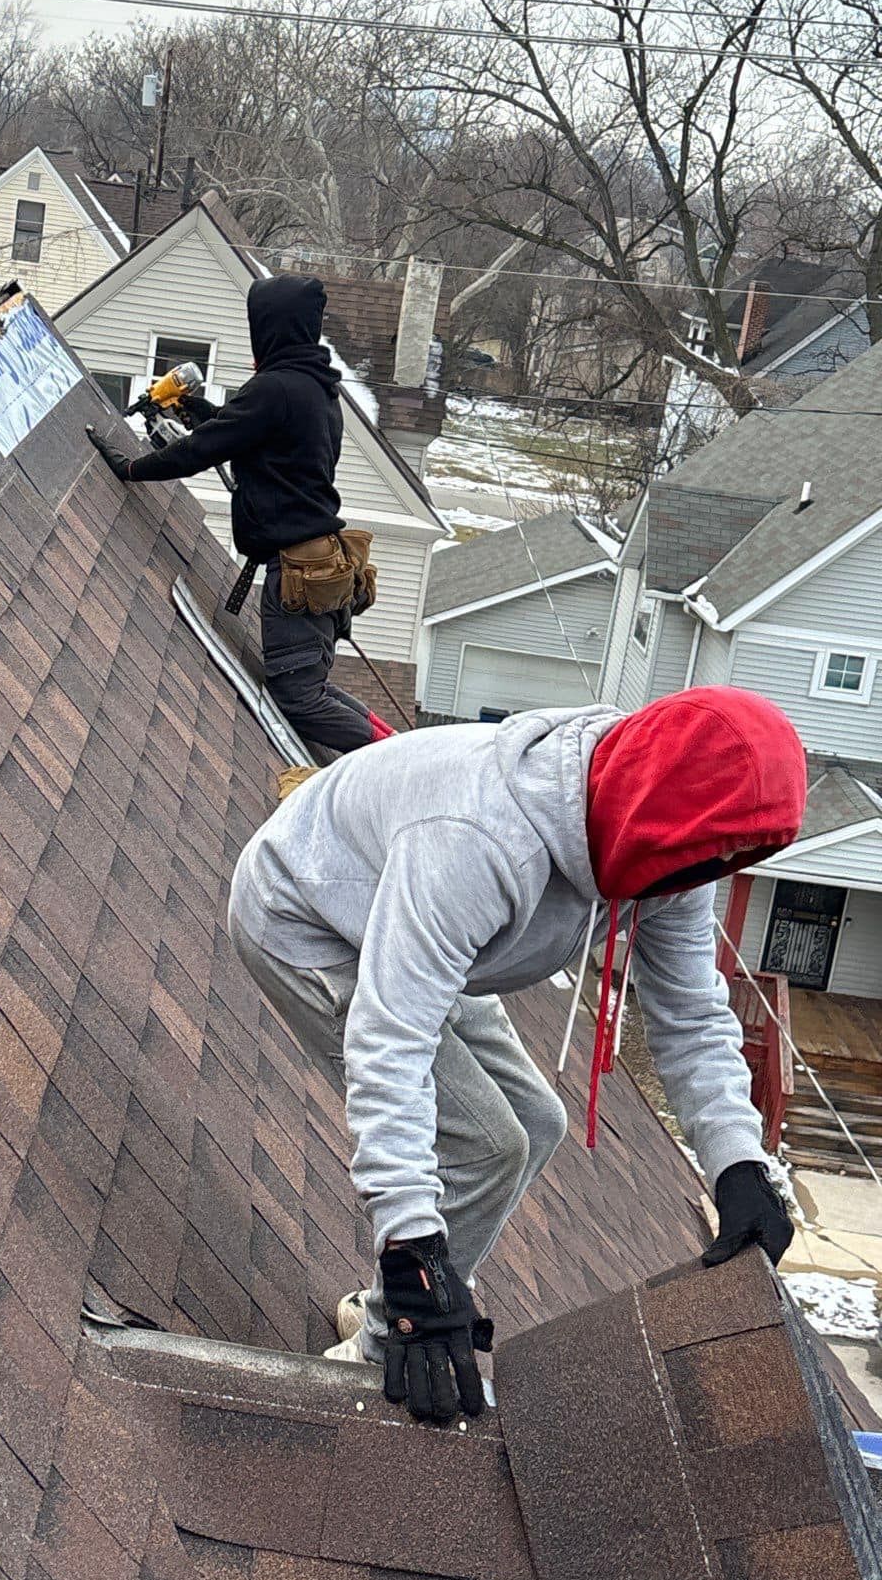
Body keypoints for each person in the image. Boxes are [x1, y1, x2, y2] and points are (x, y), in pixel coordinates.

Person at [227, 686, 808, 1424]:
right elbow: (391, 1039)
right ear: (664, 806)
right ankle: (379, 1354)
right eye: (715, 846)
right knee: (485, 1145)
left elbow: (691, 1014)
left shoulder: (678, 855)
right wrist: (412, 1249)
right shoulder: (483, 836)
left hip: (406, 926)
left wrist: (738, 1165)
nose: (716, 865)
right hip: (306, 918)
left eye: (736, 852)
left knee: (535, 1123)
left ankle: (389, 1312)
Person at [85, 274, 390, 754]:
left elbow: (202, 451)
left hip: (298, 575)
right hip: (321, 565)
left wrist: (130, 467)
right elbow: (252, 440)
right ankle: (395, 743)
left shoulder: (277, 388)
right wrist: (203, 412)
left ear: (272, 329)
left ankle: (392, 759)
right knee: (316, 691)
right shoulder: (314, 388)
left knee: (301, 702)